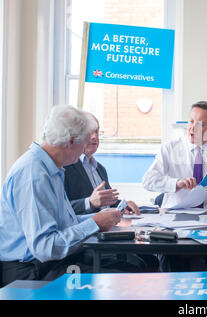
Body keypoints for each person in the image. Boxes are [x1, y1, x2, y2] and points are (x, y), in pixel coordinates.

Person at [0, 105, 136, 287]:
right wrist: (95, 223)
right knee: (125, 281)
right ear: (71, 141)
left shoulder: (51, 169)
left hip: (48, 263)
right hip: (31, 271)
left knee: (135, 266)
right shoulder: (34, 175)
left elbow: (63, 223)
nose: (84, 151)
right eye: (85, 143)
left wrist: (99, 219)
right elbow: (46, 247)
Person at [142, 101, 207, 272]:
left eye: (201, 124)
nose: (193, 128)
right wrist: (175, 183)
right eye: (191, 121)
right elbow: (148, 180)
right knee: (174, 259)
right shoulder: (169, 149)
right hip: (175, 219)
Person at [64, 112, 158, 272]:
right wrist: (89, 202)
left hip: (108, 234)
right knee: (139, 265)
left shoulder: (99, 168)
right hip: (86, 240)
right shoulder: (65, 168)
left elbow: (106, 201)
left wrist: (122, 204)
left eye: (97, 132)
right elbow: (62, 210)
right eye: (90, 132)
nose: (94, 137)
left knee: (151, 259)